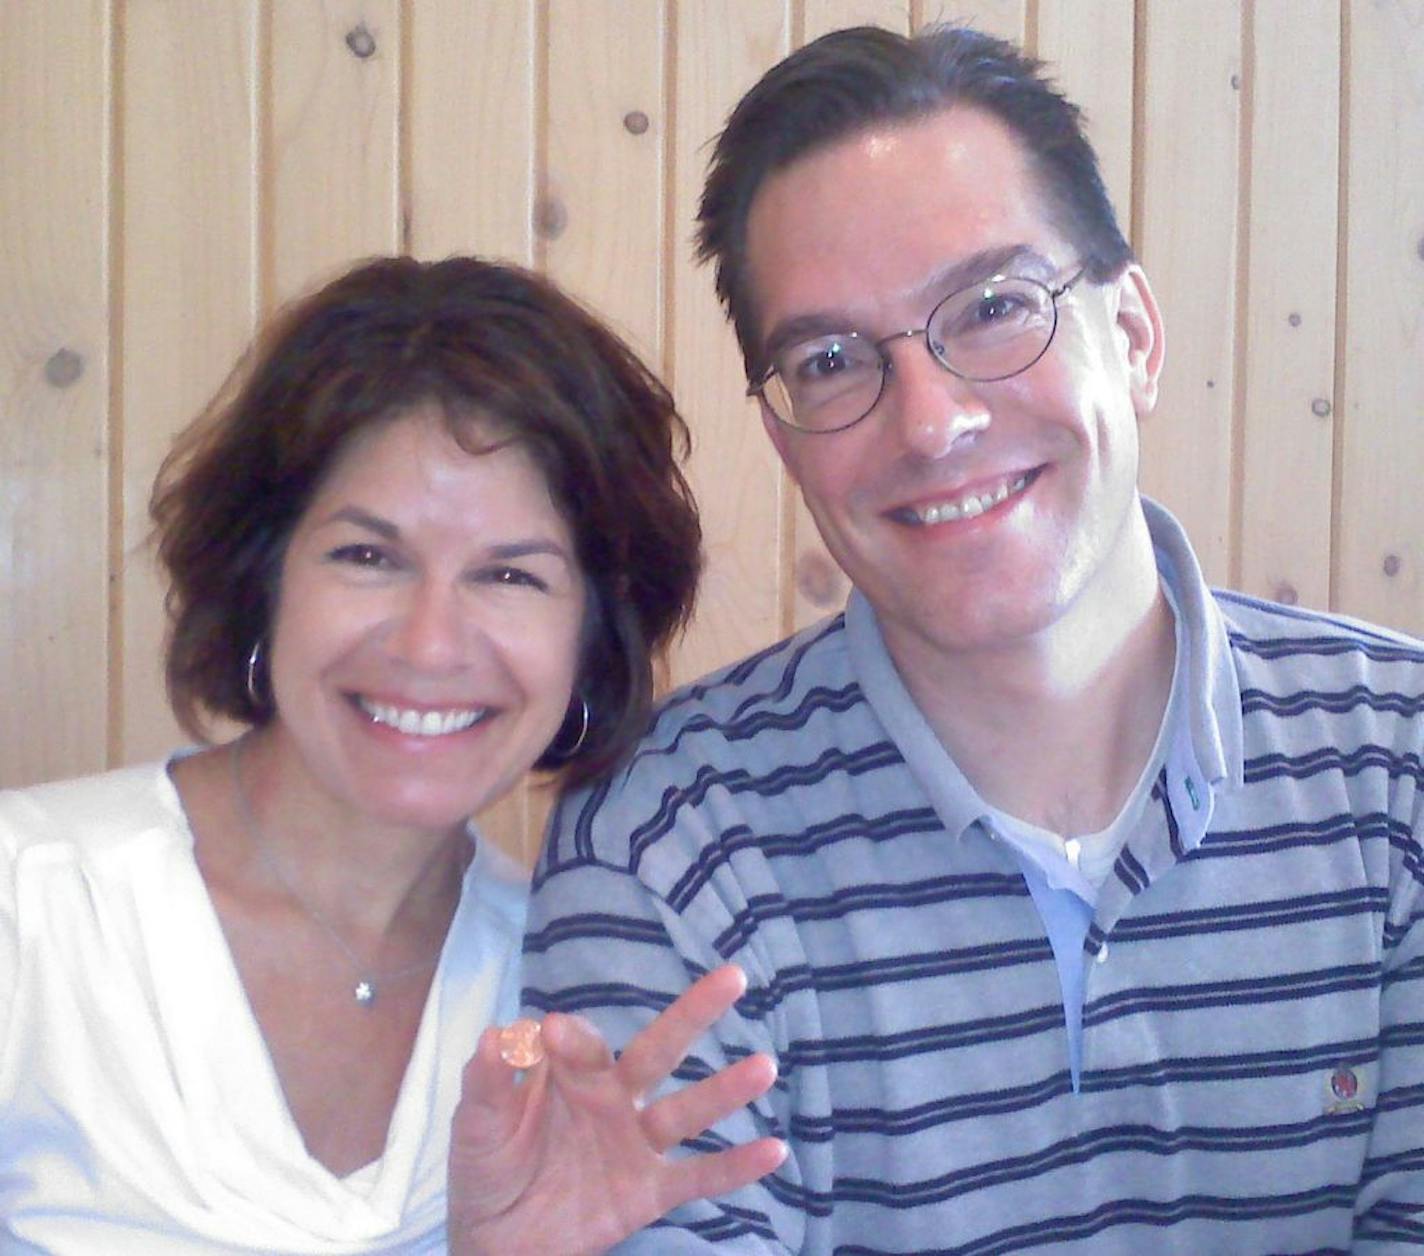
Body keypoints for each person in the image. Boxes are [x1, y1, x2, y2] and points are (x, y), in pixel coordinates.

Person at [520, 24, 1424, 1253]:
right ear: (788, 441)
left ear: (1135, 338)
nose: (932, 421)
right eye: (831, 360)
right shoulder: (664, 838)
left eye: (995, 306)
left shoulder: (1398, 763)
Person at [0, 255, 784, 1253]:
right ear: (261, 573)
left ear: (592, 637)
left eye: (509, 573)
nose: (428, 643)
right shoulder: (31, 906)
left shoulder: (556, 992)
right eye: (367, 556)